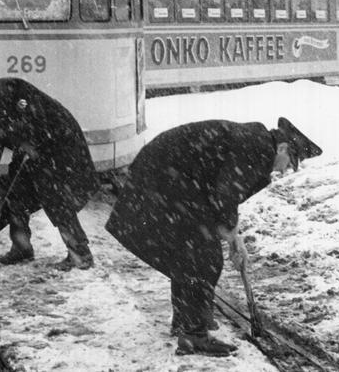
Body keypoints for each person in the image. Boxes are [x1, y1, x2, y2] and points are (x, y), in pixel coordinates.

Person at [105, 116, 322, 358]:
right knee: (203, 256)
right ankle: (194, 334)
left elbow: (226, 193)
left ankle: (187, 321)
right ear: (282, 148)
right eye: (291, 161)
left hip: (169, 177)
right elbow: (224, 195)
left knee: (190, 252)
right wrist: (230, 237)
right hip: (166, 179)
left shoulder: (256, 143)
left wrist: (234, 237)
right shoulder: (257, 148)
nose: (286, 169)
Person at [0, 71, 98, 269]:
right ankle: (21, 248)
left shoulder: (13, 89)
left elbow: (38, 118)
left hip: (58, 144)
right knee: (16, 194)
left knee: (56, 197)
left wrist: (26, 142)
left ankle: (80, 255)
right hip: (30, 150)